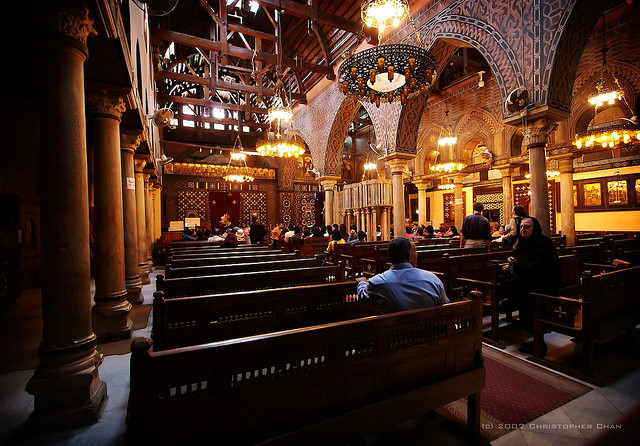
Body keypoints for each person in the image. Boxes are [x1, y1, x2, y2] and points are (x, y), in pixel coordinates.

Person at [502, 216, 560, 355]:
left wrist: (515, 265)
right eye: (521, 226)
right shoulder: (523, 243)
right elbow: (516, 256)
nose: (523, 229)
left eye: (527, 227)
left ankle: (539, 344)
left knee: (528, 309)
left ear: (535, 229)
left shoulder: (543, 243)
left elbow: (539, 267)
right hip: (527, 284)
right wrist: (510, 260)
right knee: (522, 308)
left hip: (541, 286)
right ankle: (537, 341)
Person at [356, 237, 449, 313]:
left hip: (395, 335)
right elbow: (445, 306)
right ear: (408, 256)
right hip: (433, 334)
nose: (417, 255)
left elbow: (364, 297)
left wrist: (362, 283)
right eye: (415, 252)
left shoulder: (378, 282)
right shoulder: (432, 279)